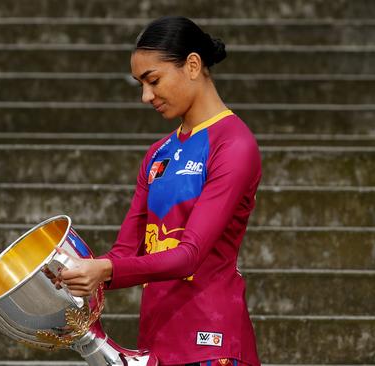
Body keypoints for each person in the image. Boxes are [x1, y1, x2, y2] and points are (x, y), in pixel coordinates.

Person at [53, 16, 262, 366]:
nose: (146, 96)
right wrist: (54, 271)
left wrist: (101, 270)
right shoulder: (157, 153)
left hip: (213, 342)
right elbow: (123, 254)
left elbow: (189, 255)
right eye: (140, 84)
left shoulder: (234, 143)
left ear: (192, 65)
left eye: (153, 80)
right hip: (157, 342)